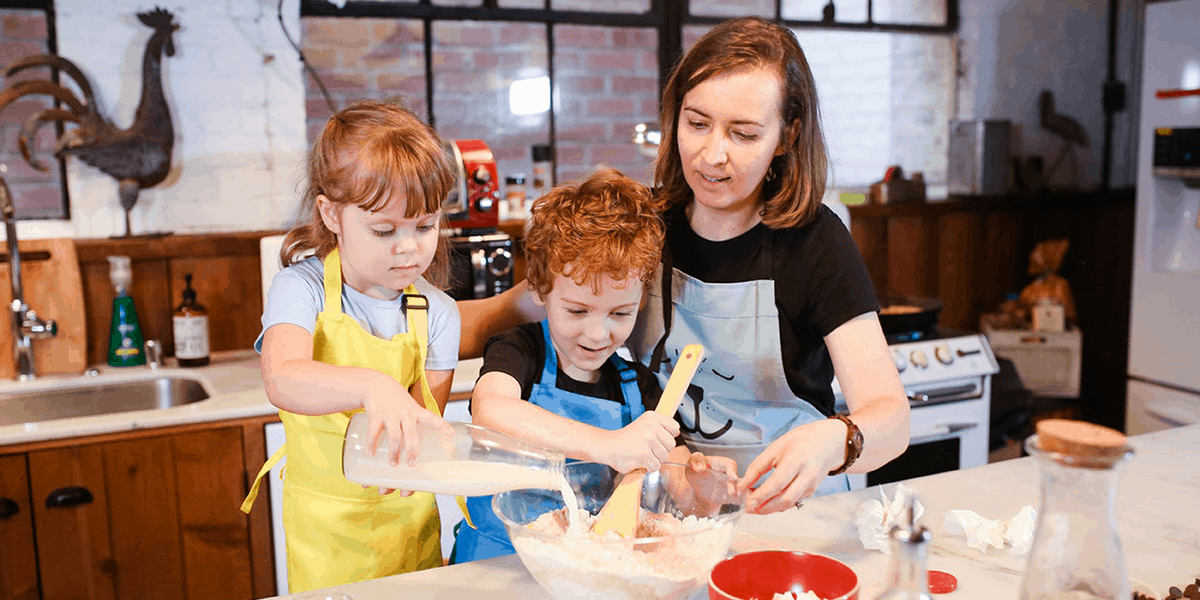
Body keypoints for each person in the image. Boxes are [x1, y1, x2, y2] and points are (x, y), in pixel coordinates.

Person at [459, 17, 910, 516]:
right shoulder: (642, 227)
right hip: (670, 511)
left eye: (743, 134)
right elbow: (502, 314)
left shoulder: (815, 243)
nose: (712, 155)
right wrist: (389, 333)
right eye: (696, 124)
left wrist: (834, 439)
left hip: (791, 514)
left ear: (786, 136)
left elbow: (892, 419)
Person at [451, 168, 737, 563]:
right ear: (539, 288)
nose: (598, 333)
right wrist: (610, 446)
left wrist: (704, 491)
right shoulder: (521, 351)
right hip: (494, 564)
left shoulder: (640, 387)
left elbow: (679, 486)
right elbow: (492, 409)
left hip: (589, 565)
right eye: (577, 310)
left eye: (620, 313)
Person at [240, 100, 460, 592]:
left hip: (407, 522)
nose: (409, 247)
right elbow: (283, 377)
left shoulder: (440, 313)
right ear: (331, 213)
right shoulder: (302, 289)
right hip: (326, 531)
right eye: (384, 230)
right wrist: (373, 386)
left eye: (425, 226)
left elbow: (421, 431)